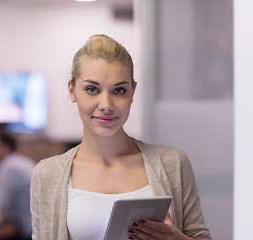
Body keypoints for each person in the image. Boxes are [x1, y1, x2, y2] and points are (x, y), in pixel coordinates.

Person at [30, 34, 211, 240]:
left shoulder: (172, 162)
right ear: (72, 90)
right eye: (92, 89)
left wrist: (174, 238)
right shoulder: (47, 174)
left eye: (119, 90)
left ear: (132, 92)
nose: (106, 104)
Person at [0, 130, 36, 240]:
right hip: (34, 228)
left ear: (5, 148)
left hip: (28, 232)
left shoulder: (9, 167)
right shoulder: (20, 161)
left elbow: (1, 207)